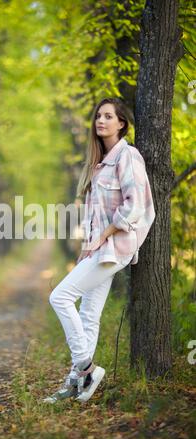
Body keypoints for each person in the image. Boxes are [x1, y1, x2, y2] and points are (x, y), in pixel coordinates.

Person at [44, 97, 156, 404]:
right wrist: (86, 246)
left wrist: (102, 237)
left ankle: (86, 368)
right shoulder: (98, 164)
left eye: (108, 116)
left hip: (114, 247)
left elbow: (135, 207)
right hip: (98, 248)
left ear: (121, 123)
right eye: (98, 116)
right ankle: (76, 382)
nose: (101, 121)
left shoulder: (128, 156)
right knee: (88, 315)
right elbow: (93, 216)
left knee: (60, 296)